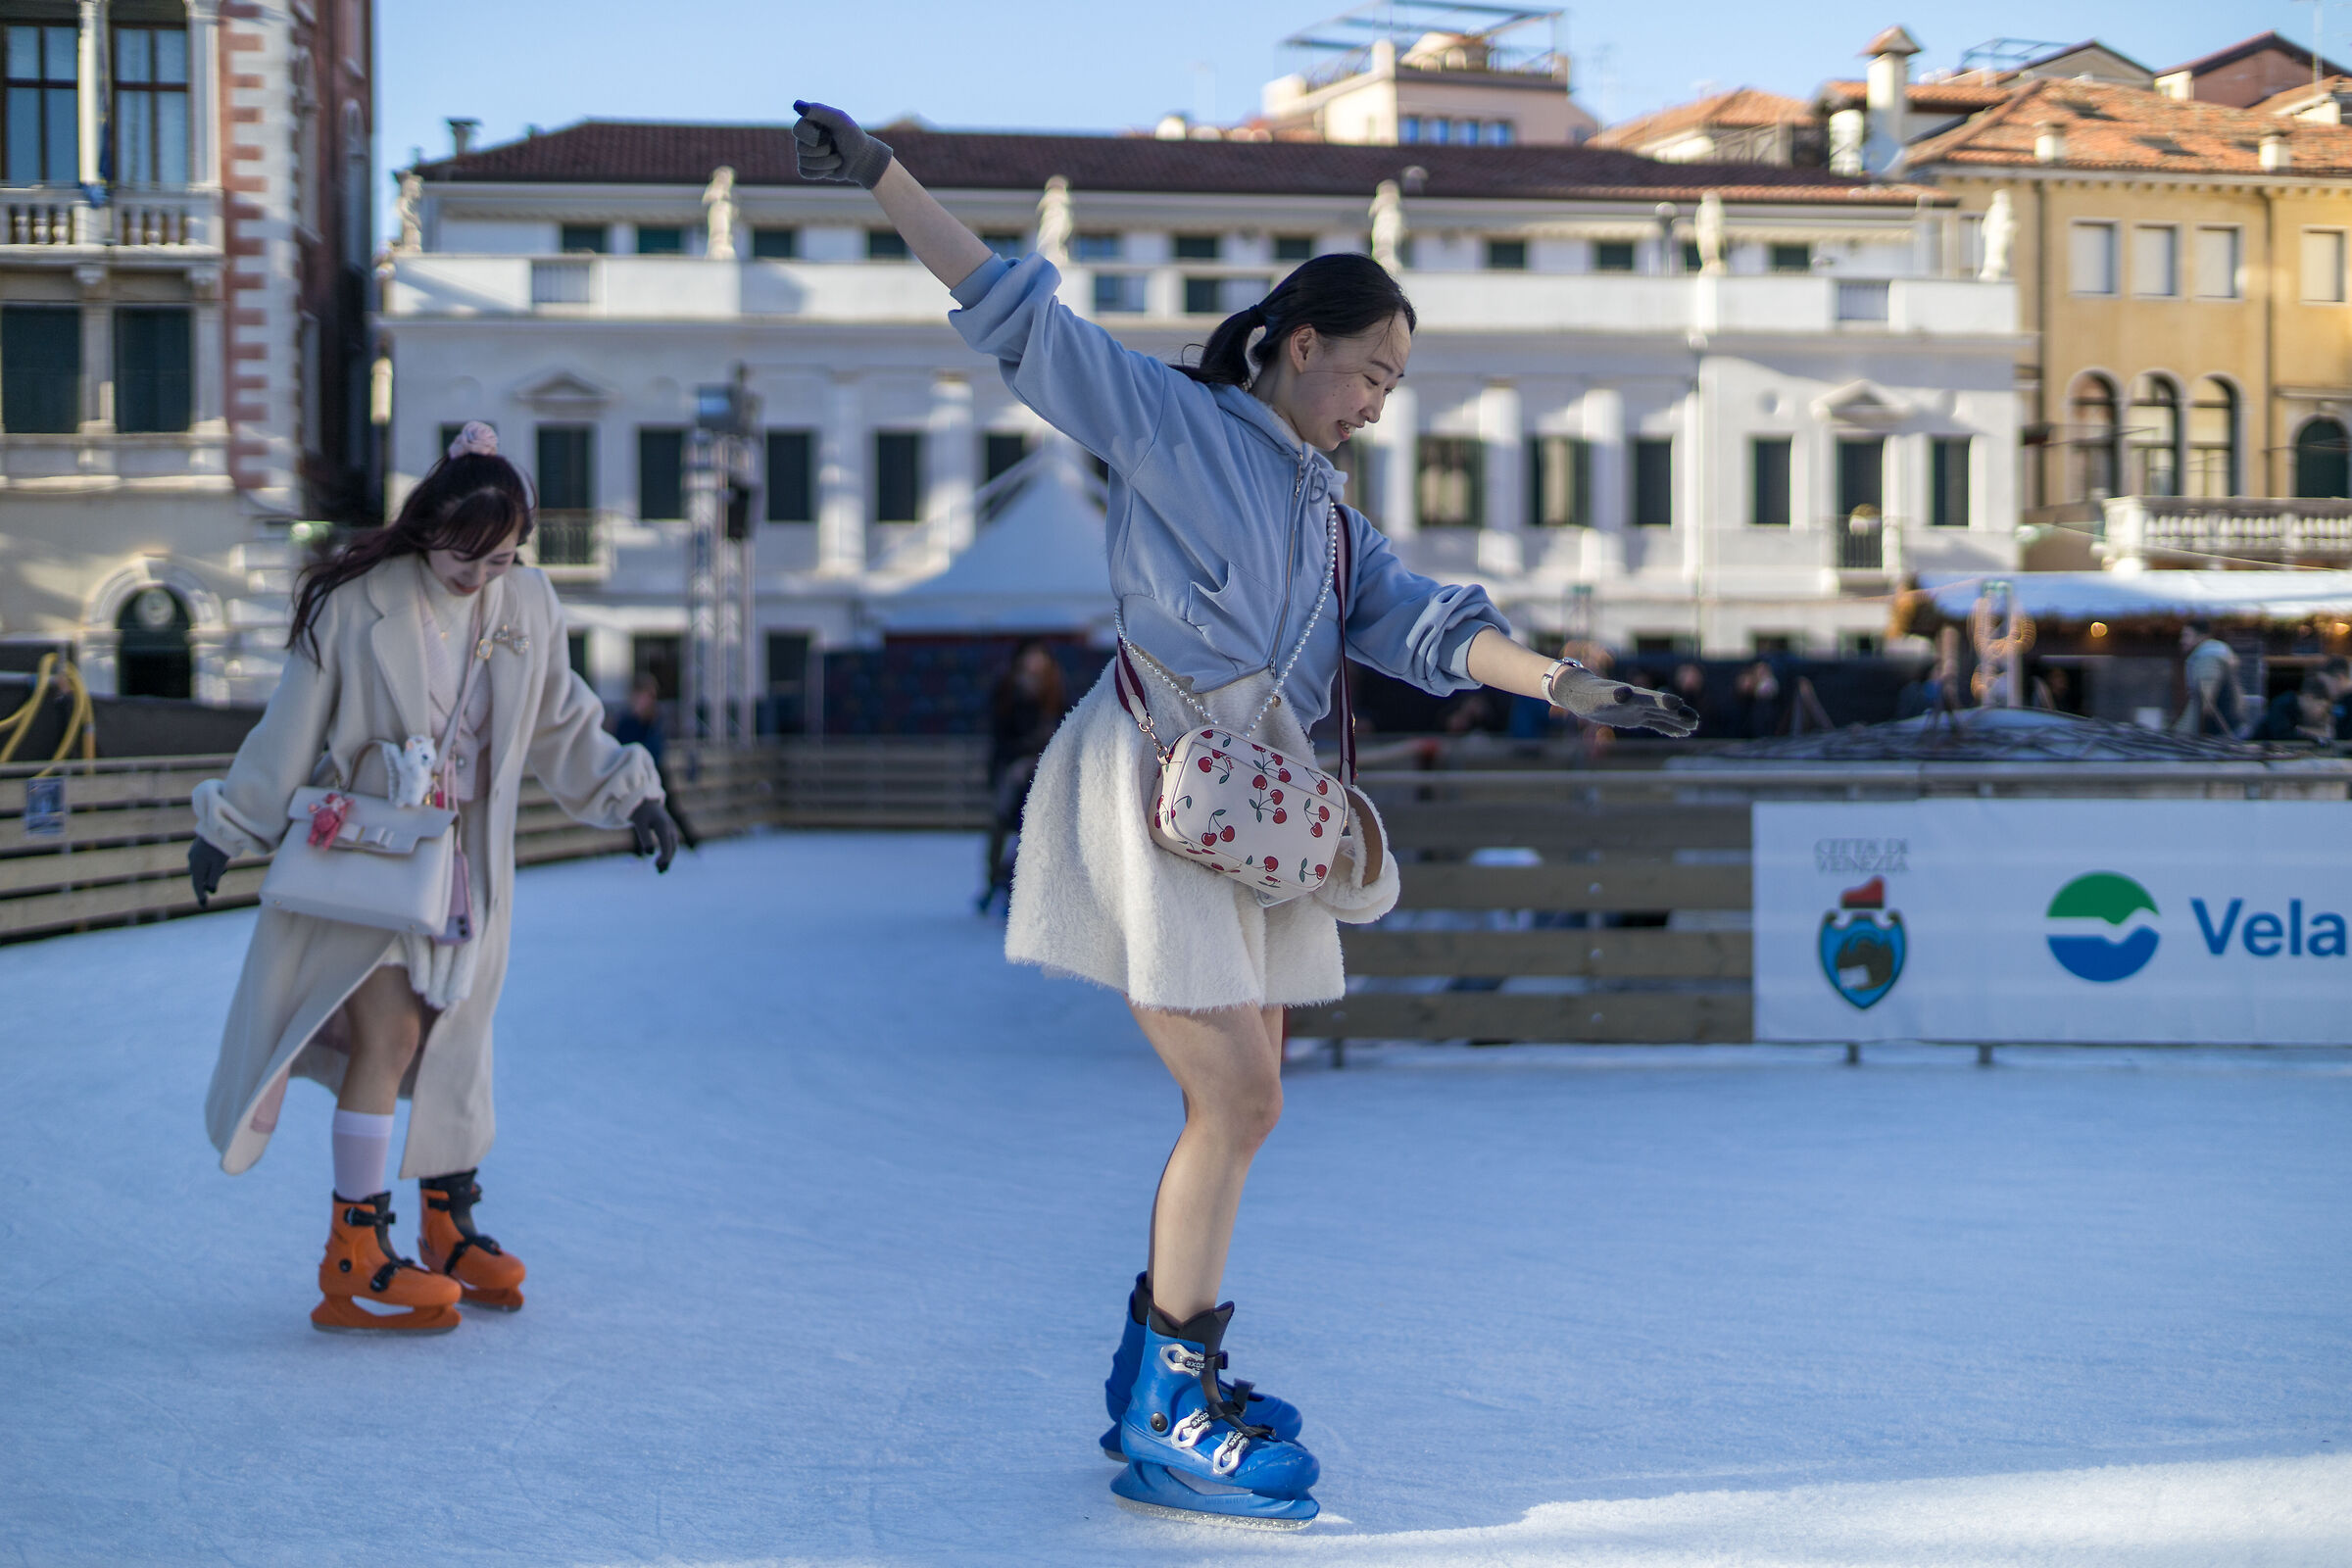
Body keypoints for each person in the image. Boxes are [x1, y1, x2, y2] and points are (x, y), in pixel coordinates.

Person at [793, 100, 1696, 1529]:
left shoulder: (1332, 515)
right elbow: (1024, 319)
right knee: (1241, 1095)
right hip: (1161, 787)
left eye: (1396, 386)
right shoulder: (1177, 424)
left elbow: (1419, 624)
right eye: (1372, 373)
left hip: (1256, 813)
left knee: (1248, 1098)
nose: (1378, 404)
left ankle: (1163, 1378)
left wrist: (1567, 684)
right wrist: (891, 178)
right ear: (1298, 341)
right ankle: (1170, 1394)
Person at [184, 423, 681, 1335]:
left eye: (501, 559)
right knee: (394, 1035)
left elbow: (563, 721)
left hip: (466, 870)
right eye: (468, 556)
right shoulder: (357, 602)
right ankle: (355, 1251)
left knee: (457, 1040)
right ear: (429, 528)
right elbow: (290, 727)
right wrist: (232, 823)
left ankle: (448, 1225)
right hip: (369, 859)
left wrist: (629, 793)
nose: (481, 575)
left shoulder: (525, 604)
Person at [981, 639, 1069, 911]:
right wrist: (1019, 759)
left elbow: (1065, 729)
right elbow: (1000, 735)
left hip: (1045, 769)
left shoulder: (1055, 690)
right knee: (1004, 823)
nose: (1034, 663)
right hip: (1012, 768)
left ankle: (1021, 884)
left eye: (1038, 657)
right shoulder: (1007, 691)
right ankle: (996, 882)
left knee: (1034, 827)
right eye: (1030, 657)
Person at [614, 673, 699, 850]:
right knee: (633, 806)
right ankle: (640, 848)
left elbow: (654, 746)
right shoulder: (626, 719)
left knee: (668, 805)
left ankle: (690, 840)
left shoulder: (654, 719)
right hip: (633, 770)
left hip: (654, 769)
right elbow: (620, 742)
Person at [2174, 618, 2244, 737]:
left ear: (2202, 637)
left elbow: (2205, 702)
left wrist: (2181, 733)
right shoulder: (2217, 656)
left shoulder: (2208, 660)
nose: (2182, 640)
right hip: (2231, 727)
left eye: (2186, 635)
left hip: (2221, 734)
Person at [2252, 672, 2340, 744]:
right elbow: (2282, 735)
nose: (2322, 712)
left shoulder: (2302, 712)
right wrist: (2313, 736)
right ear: (2309, 698)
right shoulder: (2283, 704)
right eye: (2321, 706)